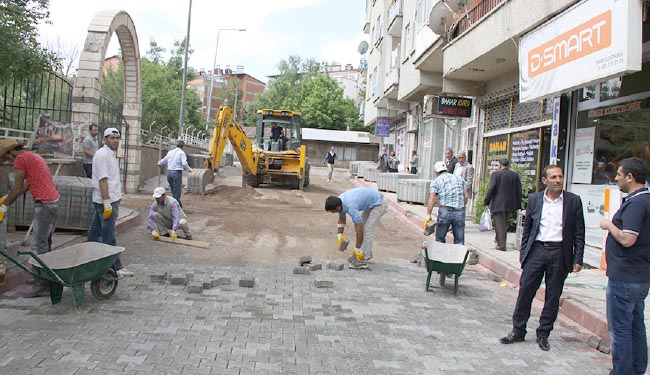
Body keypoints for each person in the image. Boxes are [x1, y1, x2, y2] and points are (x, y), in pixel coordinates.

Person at [500, 165, 585, 351]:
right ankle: (518, 330)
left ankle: (543, 333)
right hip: (536, 251)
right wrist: (524, 254)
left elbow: (579, 233)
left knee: (553, 296)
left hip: (559, 253)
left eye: (560, 176)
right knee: (525, 292)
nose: (558, 180)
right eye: (553, 177)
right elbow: (528, 228)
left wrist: (578, 258)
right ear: (545, 181)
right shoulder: (535, 200)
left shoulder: (573, 201)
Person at [599, 157, 650, 375]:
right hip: (638, 275)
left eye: (619, 174)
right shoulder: (644, 200)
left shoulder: (637, 203)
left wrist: (609, 224)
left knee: (621, 331)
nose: (616, 178)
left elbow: (628, 239)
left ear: (630, 177)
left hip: (626, 277)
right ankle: (636, 370)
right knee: (636, 327)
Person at [0, 138, 60, 298]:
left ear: (11, 151)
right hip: (53, 201)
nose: (8, 161)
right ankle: (43, 278)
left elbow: (18, 187)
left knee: (38, 245)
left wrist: (4, 207)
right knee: (45, 243)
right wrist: (7, 197)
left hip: (45, 204)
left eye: (7, 157)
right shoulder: (32, 156)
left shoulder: (20, 159)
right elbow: (28, 185)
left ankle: (41, 284)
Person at [88, 128, 133, 279]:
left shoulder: (111, 155)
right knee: (109, 235)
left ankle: (87, 261)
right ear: (105, 139)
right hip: (105, 202)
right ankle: (116, 267)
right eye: (112, 138)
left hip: (111, 199)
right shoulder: (102, 155)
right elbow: (103, 180)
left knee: (95, 233)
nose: (115, 140)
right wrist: (106, 202)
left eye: (117, 138)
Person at [325, 188, 388, 269]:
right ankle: (365, 253)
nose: (333, 213)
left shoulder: (351, 206)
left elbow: (359, 229)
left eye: (333, 211)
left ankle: (363, 259)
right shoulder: (340, 200)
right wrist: (340, 235)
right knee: (363, 228)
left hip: (379, 203)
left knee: (367, 229)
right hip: (371, 202)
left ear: (337, 207)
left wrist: (357, 248)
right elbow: (342, 218)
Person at [424, 161, 468, 244]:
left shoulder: (436, 181)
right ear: (446, 169)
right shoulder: (459, 178)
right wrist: (461, 206)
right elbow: (466, 196)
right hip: (459, 211)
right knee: (459, 240)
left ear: (436, 172)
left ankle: (440, 256)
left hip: (445, 211)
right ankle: (458, 256)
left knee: (440, 239)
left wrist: (428, 215)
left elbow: (432, 199)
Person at [484, 158, 522, 251]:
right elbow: (519, 191)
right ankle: (498, 239)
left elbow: (491, 188)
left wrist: (486, 201)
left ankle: (502, 245)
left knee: (500, 224)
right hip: (510, 204)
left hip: (498, 203)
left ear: (500, 165)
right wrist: (518, 204)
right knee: (504, 223)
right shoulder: (515, 175)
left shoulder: (496, 174)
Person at [158, 140, 191, 207]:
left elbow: (164, 160)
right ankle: (175, 207)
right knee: (176, 192)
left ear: (176, 145)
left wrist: (159, 163)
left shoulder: (170, 152)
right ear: (183, 146)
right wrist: (189, 169)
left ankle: (178, 206)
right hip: (176, 173)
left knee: (173, 191)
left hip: (169, 173)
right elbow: (184, 163)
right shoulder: (181, 153)